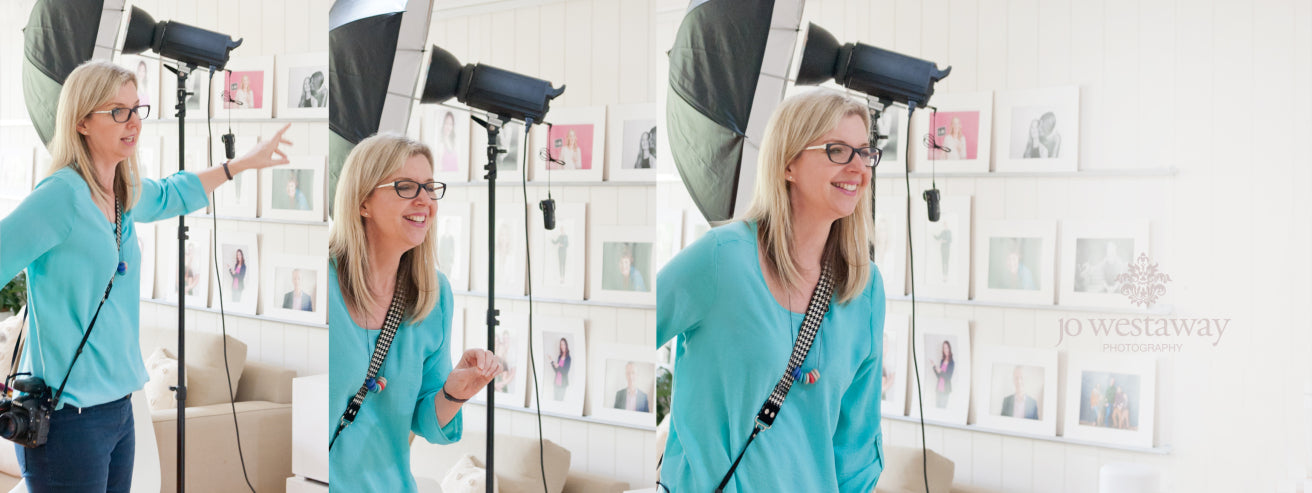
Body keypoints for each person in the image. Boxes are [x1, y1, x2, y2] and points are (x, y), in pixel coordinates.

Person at [0, 60, 292, 491]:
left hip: (120, 410)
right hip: (68, 418)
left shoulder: (122, 192)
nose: (133, 121)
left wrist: (239, 165)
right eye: (118, 111)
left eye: (137, 109)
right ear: (82, 121)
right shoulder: (60, 196)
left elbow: (175, 192)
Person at [657, 90, 886, 492]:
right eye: (837, 150)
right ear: (788, 164)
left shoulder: (864, 288)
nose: (859, 169)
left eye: (865, 153)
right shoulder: (722, 259)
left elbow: (857, 445)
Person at [327, 133, 499, 492]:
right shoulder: (322, 283)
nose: (425, 200)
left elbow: (424, 421)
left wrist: (455, 392)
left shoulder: (433, 296)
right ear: (363, 203)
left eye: (430, 187)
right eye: (406, 186)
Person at [931, 340, 955, 408]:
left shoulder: (951, 363)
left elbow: (948, 378)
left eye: (947, 347)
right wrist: (934, 367)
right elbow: (939, 376)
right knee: (937, 408)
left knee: (942, 409)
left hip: (945, 391)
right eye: (944, 348)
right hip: (938, 390)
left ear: (949, 349)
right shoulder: (942, 361)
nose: (945, 349)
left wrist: (940, 371)